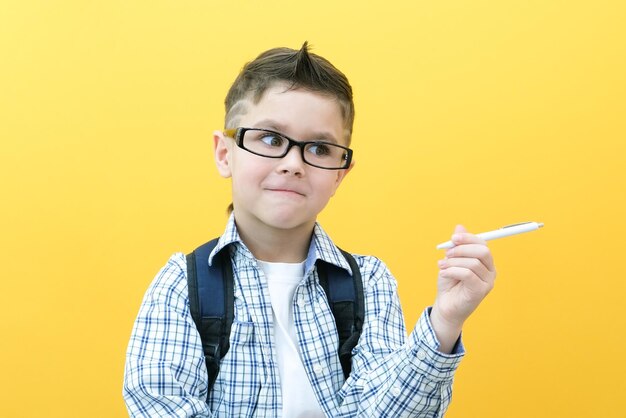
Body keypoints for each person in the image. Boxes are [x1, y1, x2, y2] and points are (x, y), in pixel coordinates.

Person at [123, 42, 497, 417]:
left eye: (319, 148)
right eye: (271, 139)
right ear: (225, 154)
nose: (293, 163)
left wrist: (445, 322)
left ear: (340, 174)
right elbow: (160, 404)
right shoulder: (181, 285)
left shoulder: (369, 282)